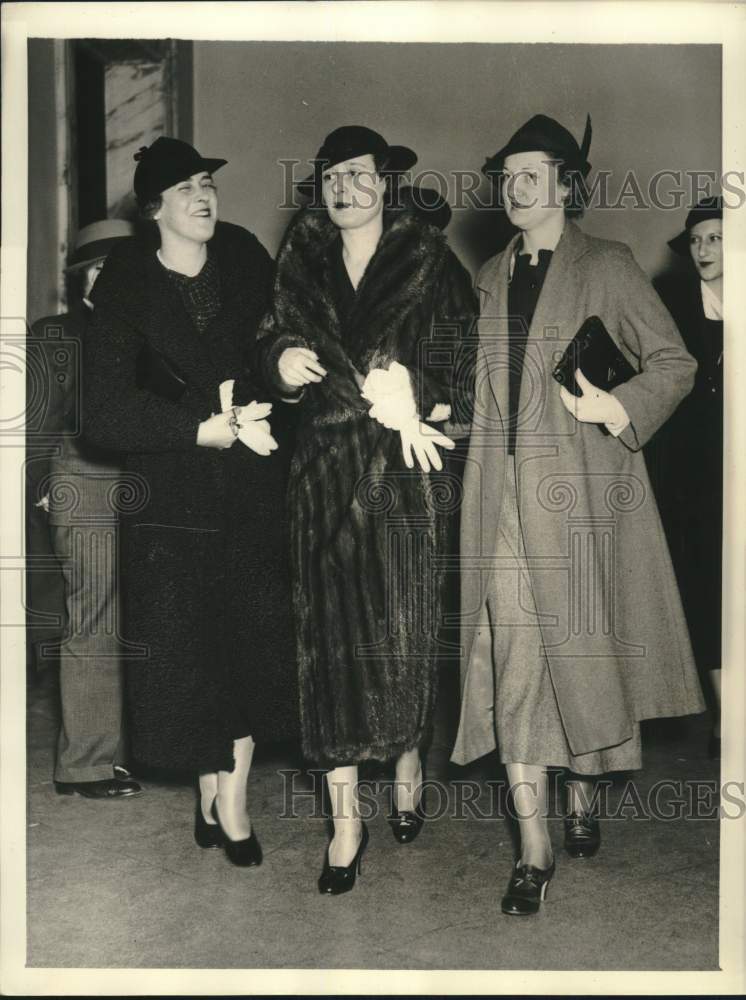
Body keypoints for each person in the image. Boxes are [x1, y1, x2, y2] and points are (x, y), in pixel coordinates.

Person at [451, 114, 705, 916]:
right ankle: (534, 848)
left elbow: (675, 363)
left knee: (585, 662)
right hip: (500, 501)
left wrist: (615, 407)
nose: (515, 187)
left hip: (584, 500)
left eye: (533, 173)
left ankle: (586, 787)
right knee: (517, 664)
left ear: (567, 185)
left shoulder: (609, 265)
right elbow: (480, 392)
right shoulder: (486, 275)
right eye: (507, 175)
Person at [256, 125, 476, 894]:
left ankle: (409, 756)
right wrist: (279, 363)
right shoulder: (301, 259)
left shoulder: (430, 261)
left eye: (358, 174)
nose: (344, 188)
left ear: (384, 182)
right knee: (327, 650)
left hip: (401, 478)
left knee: (401, 638)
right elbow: (271, 337)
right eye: (331, 177)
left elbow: (465, 365)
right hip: (321, 477)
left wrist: (420, 390)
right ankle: (346, 826)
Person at [83, 137, 296, 864]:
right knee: (191, 654)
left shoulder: (244, 258)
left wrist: (280, 378)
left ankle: (233, 804)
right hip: (171, 503)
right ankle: (210, 786)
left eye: (207, 183)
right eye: (185, 189)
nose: (203, 197)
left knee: (249, 647)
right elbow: (103, 411)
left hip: (252, 491)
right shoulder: (125, 282)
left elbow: (276, 341)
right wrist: (194, 429)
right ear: (154, 210)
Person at [28, 219, 142, 799]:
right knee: (95, 616)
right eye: (98, 270)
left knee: (151, 616)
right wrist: (42, 487)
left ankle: (142, 751)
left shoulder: (152, 333)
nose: (109, 279)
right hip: (83, 477)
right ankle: (87, 765)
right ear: (81, 280)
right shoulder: (55, 334)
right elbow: (31, 424)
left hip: (152, 478)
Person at [647, 197, 723, 757]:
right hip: (695, 471)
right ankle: (725, 714)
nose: (702, 249)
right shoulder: (671, 305)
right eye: (696, 240)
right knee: (703, 586)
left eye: (715, 238)